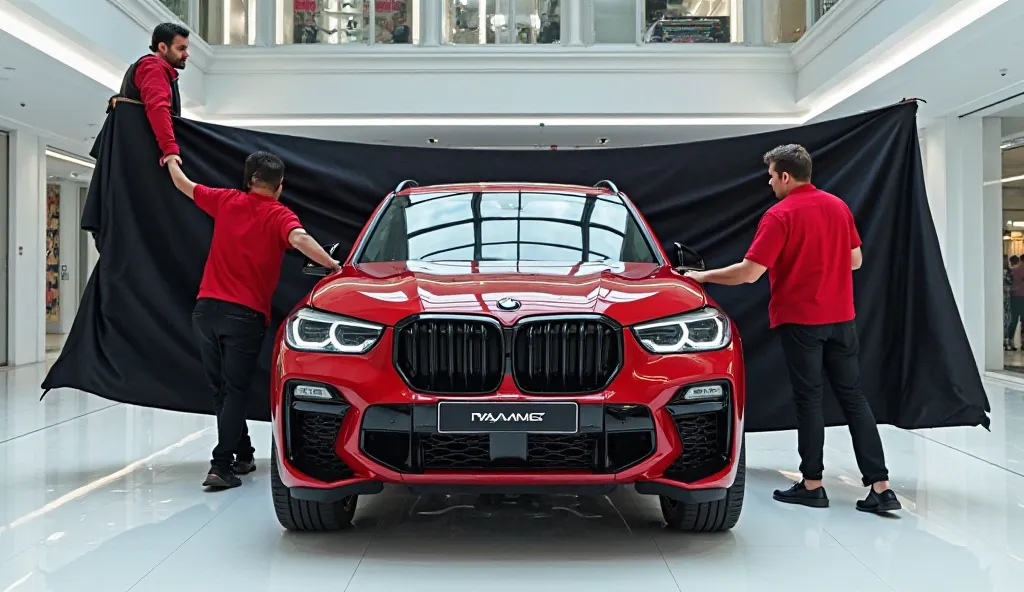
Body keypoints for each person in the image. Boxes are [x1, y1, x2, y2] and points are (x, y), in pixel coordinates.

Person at [685, 144, 900, 514]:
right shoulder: (838, 206)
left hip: (801, 321)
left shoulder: (779, 215)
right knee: (854, 398)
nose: (770, 183)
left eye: (771, 176)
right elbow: (855, 260)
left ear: (785, 176)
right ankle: (880, 486)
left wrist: (702, 276)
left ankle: (812, 484)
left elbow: (749, 273)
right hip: (842, 319)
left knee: (809, 400)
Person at [163, 150, 341, 489]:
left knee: (222, 391)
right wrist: (334, 267)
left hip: (205, 311)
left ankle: (242, 454)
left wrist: (171, 158)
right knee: (233, 391)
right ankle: (221, 466)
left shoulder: (226, 200)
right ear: (280, 186)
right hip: (243, 317)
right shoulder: (279, 215)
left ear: (249, 181)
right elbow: (300, 239)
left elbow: (182, 184)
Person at [117, 23, 190, 166]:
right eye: (181, 49)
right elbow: (158, 108)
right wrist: (170, 150)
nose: (186, 54)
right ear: (163, 47)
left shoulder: (148, 67)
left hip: (137, 150)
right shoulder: (154, 68)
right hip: (147, 152)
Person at [1007, 255, 1024, 350]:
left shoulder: (1014, 271)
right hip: (1021, 296)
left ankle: (1010, 340)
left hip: (1014, 296)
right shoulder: (1020, 270)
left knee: (1014, 319)